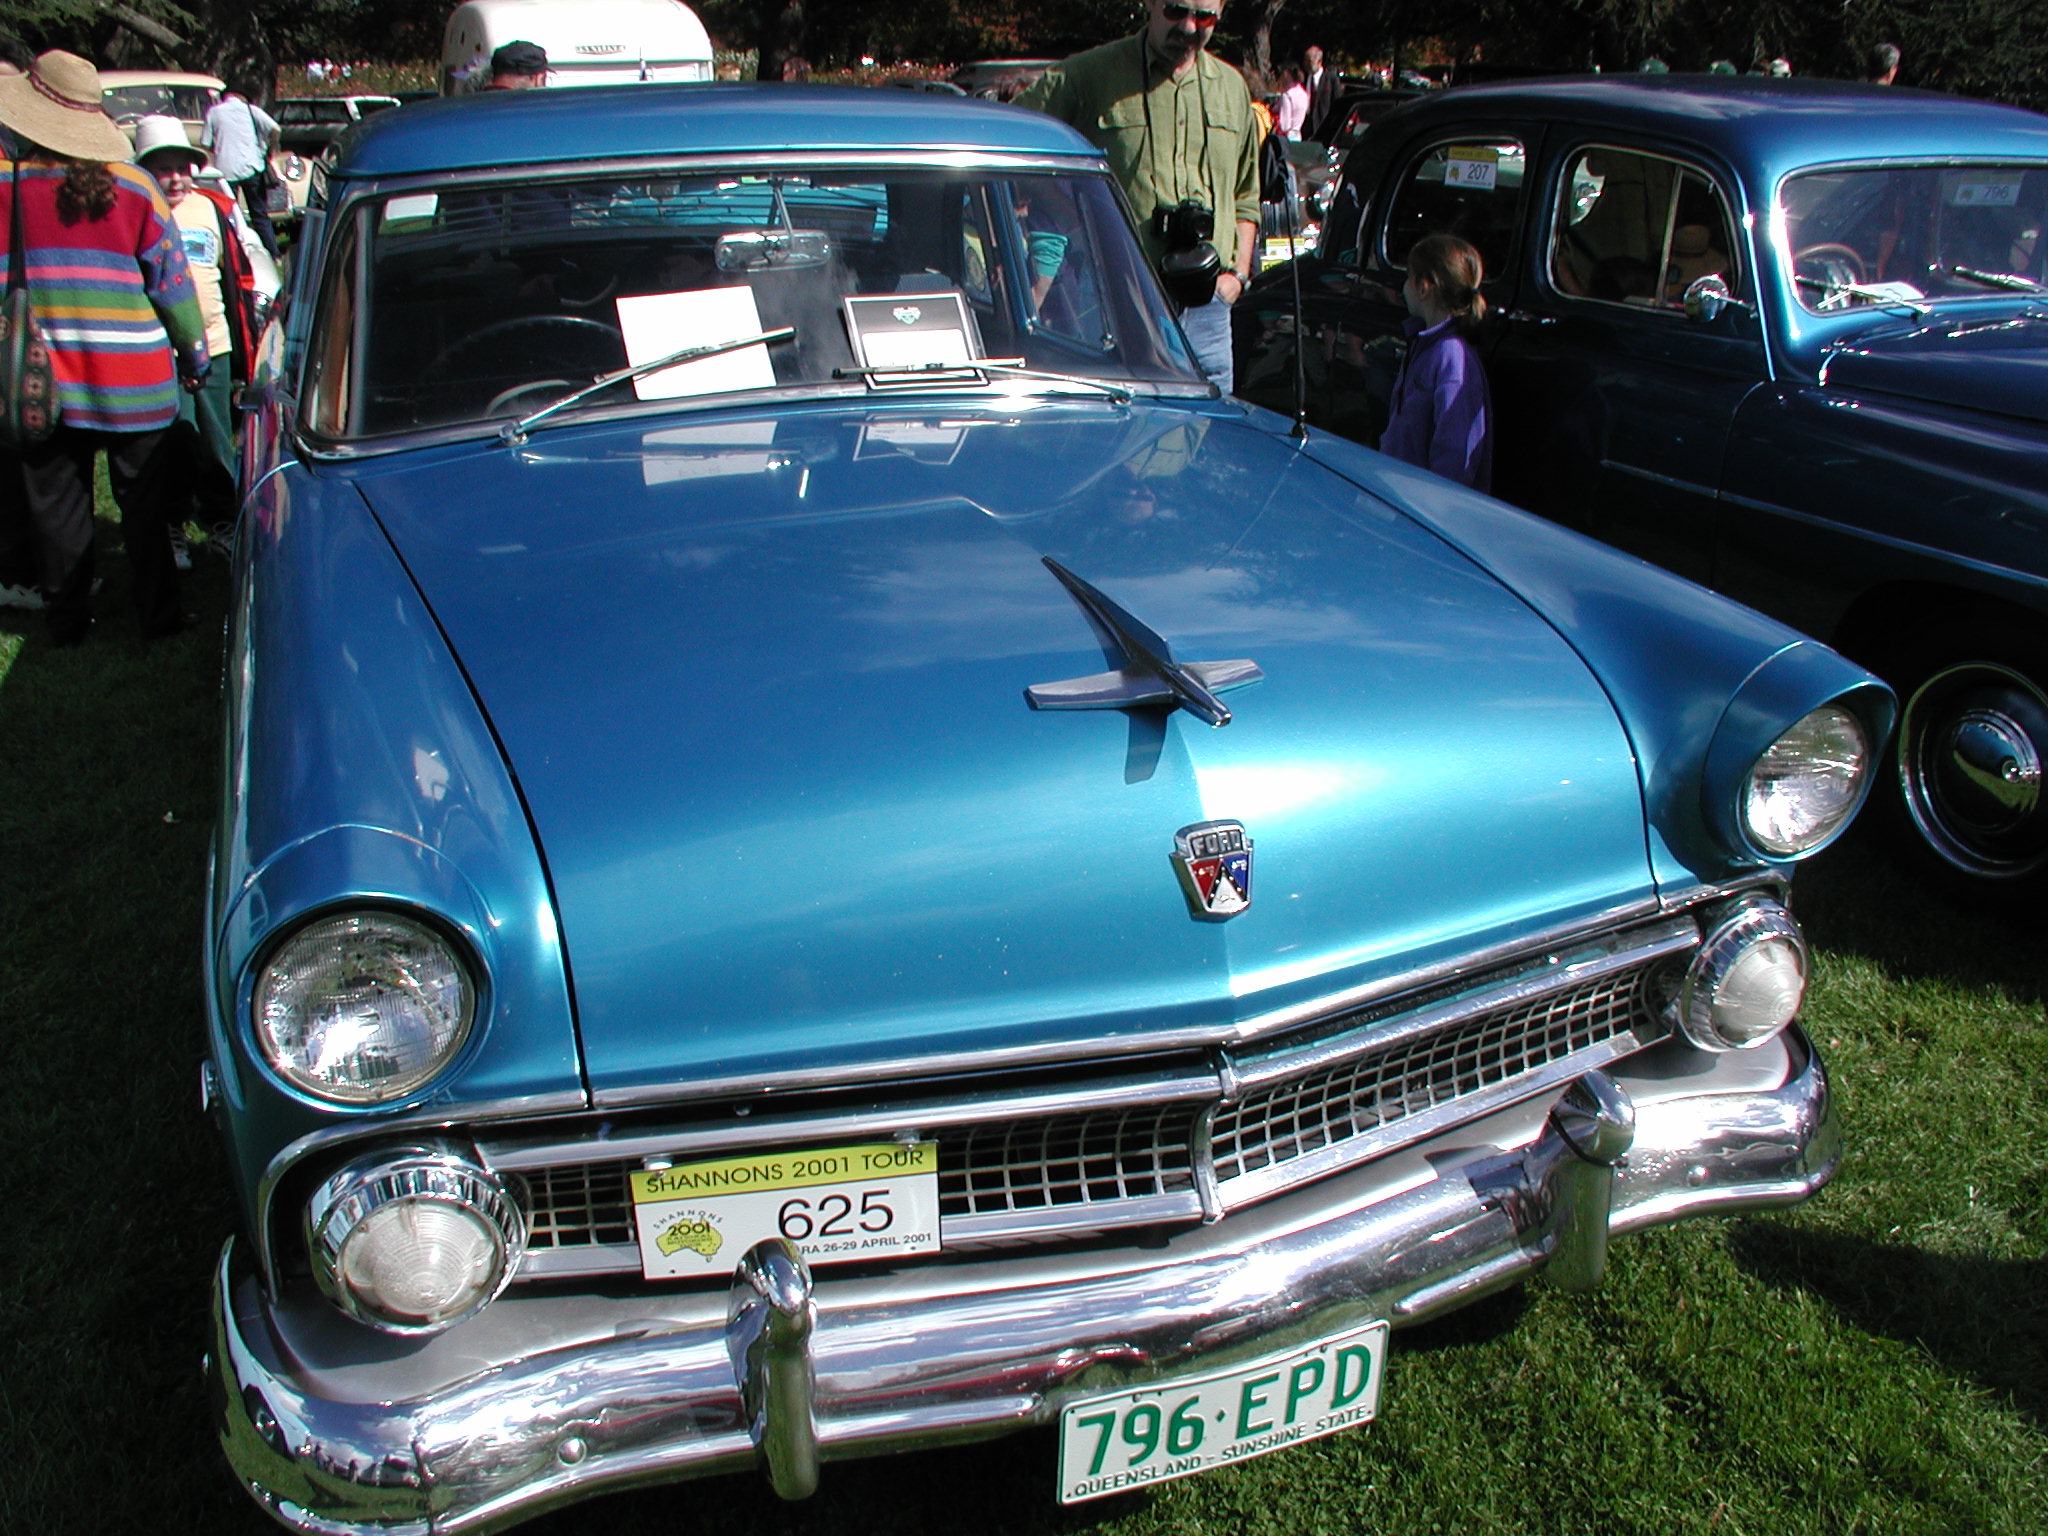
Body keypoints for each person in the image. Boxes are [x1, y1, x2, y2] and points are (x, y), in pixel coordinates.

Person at [0, 51, 209, 643]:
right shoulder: (138, 188)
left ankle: (67, 623)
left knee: (56, 508)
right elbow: (172, 286)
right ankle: (160, 619)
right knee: (145, 506)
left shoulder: (6, 186)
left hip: (41, 375)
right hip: (134, 374)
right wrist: (194, 355)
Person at [1019, 0, 1260, 393]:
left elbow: (1246, 194)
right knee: (1118, 422)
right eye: (1175, 11)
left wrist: (1238, 276)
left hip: (1208, 305)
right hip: (1113, 299)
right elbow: (1014, 141)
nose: (1188, 27)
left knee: (1210, 424)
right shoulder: (1091, 75)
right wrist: (1075, 223)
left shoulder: (1232, 89)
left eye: (1204, 17)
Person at [133, 116, 258, 548]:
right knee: (172, 440)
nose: (175, 179)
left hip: (214, 344)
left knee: (217, 436)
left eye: (182, 169)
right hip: (162, 351)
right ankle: (174, 523)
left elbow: (232, 276)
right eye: (163, 169)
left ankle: (222, 517)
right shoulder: (138, 211)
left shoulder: (210, 210)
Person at [1378, 234, 1492, 493]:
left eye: (1409, 277)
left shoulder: (1450, 356)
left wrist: (1435, 499)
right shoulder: (1423, 344)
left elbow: (1456, 449)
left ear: (1424, 288)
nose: (1404, 286)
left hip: (1424, 500)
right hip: (1400, 489)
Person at [201, 79, 279, 257]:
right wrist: (270, 150)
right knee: (260, 215)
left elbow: (205, 142)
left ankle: (233, 253)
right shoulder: (252, 110)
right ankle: (273, 254)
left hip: (225, 169)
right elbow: (275, 129)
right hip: (252, 166)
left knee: (229, 215)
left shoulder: (214, 112)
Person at [1302, 44, 1338, 144]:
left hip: (1323, 125)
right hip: (1307, 127)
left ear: (1319, 62)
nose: (1307, 64)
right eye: (1306, 61)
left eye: (1310, 61)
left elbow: (1336, 102)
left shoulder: (1330, 79)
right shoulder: (1304, 78)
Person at [1274, 63, 1309, 140]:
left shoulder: (1287, 95)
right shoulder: (1303, 93)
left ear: (1285, 73)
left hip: (1286, 139)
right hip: (1298, 136)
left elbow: (1284, 126)